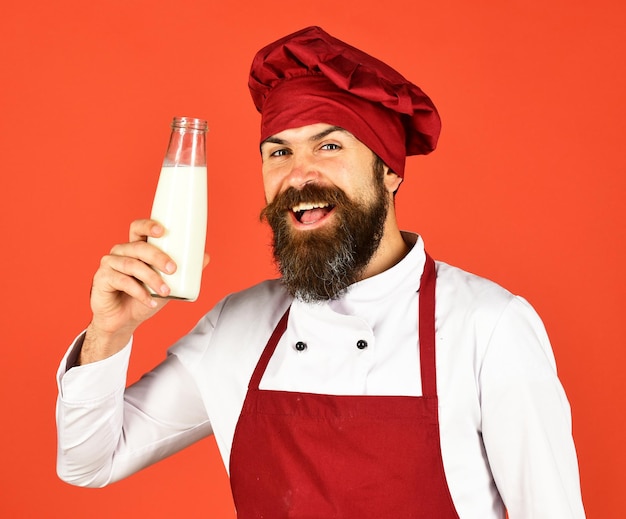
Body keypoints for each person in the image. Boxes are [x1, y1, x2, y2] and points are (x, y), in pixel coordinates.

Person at [56, 26, 586, 518]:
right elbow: (89, 462)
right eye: (278, 152)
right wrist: (109, 333)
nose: (298, 175)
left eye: (329, 146)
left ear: (389, 170)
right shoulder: (239, 326)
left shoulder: (488, 327)